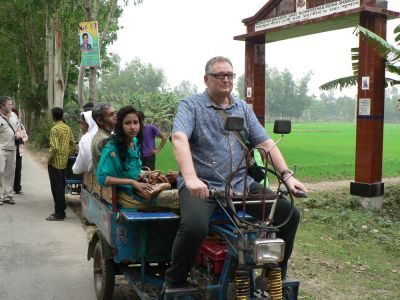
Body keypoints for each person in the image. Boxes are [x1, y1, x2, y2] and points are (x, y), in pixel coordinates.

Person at [164, 56, 308, 288]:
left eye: (230, 75)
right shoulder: (191, 105)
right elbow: (179, 138)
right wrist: (190, 178)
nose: (226, 79)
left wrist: (287, 176)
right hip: (204, 186)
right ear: (206, 79)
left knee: (288, 214)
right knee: (194, 226)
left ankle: (273, 275)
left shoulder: (242, 108)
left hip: (241, 184)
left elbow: (265, 143)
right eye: (219, 75)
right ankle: (175, 280)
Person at [96, 106, 153, 202]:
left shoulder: (135, 142)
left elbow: (133, 170)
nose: (133, 127)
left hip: (136, 188)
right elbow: (102, 178)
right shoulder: (111, 149)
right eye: (127, 123)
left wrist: (147, 175)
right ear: (120, 126)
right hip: (124, 195)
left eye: (136, 122)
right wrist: (131, 182)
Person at [46, 107, 76, 221]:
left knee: (56, 188)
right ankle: (61, 210)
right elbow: (73, 144)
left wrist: (49, 159)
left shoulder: (54, 129)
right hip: (64, 162)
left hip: (55, 163)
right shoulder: (67, 128)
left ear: (53, 116)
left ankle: (59, 213)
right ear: (62, 116)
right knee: (61, 187)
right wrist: (68, 154)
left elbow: (54, 147)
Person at [0, 96, 22, 205]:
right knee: (0, 171)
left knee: (10, 173)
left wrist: (18, 133)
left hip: (13, 148)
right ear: (2, 106)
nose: (11, 106)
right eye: (9, 105)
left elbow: (18, 128)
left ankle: (7, 196)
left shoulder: (14, 115)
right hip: (1, 148)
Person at [91, 103, 117, 170]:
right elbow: (114, 167)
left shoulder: (103, 135)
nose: (116, 117)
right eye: (111, 115)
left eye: (115, 113)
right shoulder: (105, 140)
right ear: (100, 121)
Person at [12, 108, 28, 195]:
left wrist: (22, 140)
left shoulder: (20, 125)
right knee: (8, 170)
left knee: (18, 169)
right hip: (9, 149)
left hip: (19, 150)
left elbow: (26, 136)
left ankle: (17, 188)